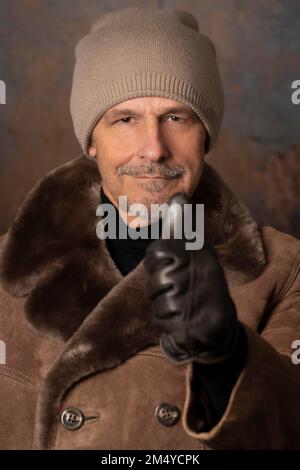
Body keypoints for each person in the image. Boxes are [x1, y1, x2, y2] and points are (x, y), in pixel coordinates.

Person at [0, 7, 300, 451]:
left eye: (177, 117)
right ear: (91, 140)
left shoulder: (285, 271)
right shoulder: (7, 269)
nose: (154, 149)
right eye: (125, 119)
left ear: (206, 137)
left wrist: (227, 357)